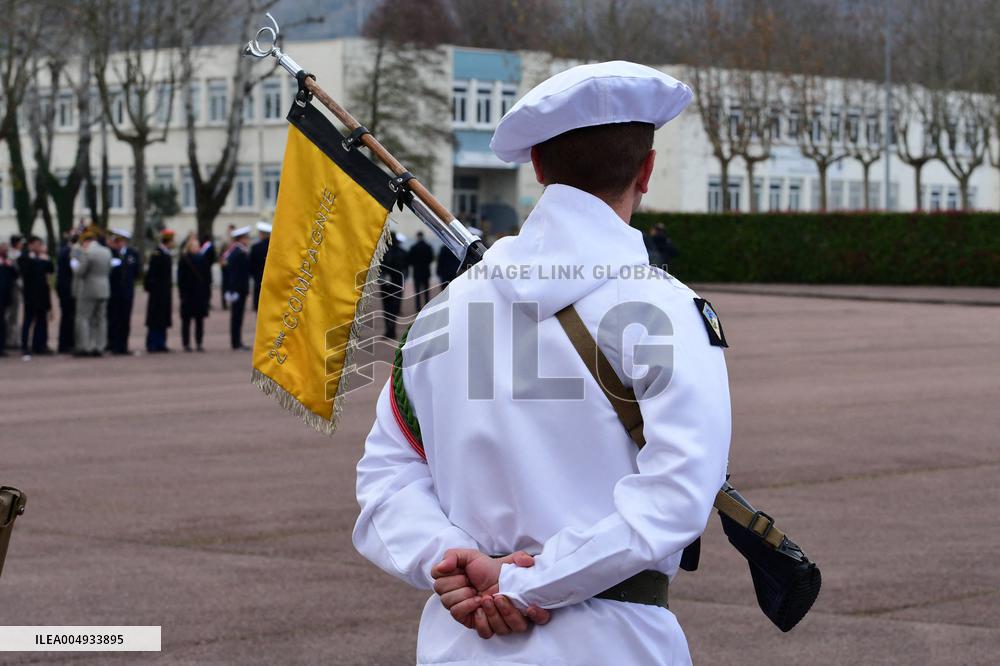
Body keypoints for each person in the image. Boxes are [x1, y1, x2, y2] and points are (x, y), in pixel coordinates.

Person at [353, 62, 729, 666]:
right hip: (616, 644)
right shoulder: (667, 310)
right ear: (647, 171)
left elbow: (388, 477)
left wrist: (446, 559)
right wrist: (527, 582)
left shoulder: (440, 315)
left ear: (537, 167)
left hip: (462, 645)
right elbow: (677, 497)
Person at [72, 227, 113, 357]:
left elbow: (80, 272)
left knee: (83, 318)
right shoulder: (106, 251)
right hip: (104, 288)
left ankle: (85, 346)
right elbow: (109, 269)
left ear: (85, 241)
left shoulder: (88, 252)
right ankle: (99, 346)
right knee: (101, 319)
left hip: (89, 289)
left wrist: (74, 264)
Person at [18, 236, 54, 359]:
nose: (40, 247)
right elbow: (27, 271)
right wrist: (40, 261)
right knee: (28, 321)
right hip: (30, 295)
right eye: (38, 244)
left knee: (42, 321)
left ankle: (40, 345)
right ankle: (24, 346)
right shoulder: (24, 257)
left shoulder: (42, 258)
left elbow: (50, 270)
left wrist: (45, 259)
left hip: (42, 295)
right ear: (31, 245)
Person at [107, 228, 140, 355]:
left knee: (125, 319)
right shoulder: (111, 253)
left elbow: (136, 271)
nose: (118, 243)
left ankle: (124, 345)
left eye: (120, 240)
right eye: (116, 240)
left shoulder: (132, 253)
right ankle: (114, 345)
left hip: (127, 292)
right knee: (114, 318)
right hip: (114, 292)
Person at [177, 233, 211, 352]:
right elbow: (180, 278)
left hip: (200, 294)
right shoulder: (184, 259)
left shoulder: (203, 259)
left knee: (199, 320)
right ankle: (186, 343)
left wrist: (207, 294)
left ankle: (199, 342)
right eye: (194, 246)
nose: (196, 248)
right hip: (188, 294)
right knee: (186, 320)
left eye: (197, 246)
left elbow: (208, 278)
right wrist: (182, 294)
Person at [144, 229, 175, 353]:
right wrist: (153, 288)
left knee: (163, 318)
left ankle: (161, 342)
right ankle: (152, 343)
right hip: (157, 292)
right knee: (155, 318)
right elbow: (151, 274)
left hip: (164, 292)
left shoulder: (166, 253)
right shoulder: (157, 254)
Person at [222, 226, 251, 350]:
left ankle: (237, 341)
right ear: (241, 239)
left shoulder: (239, 251)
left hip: (239, 288)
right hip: (238, 289)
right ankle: (236, 342)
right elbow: (233, 272)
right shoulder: (237, 253)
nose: (248, 240)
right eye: (246, 238)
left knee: (238, 317)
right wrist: (232, 290)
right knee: (236, 317)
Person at [379, 232, 408, 338]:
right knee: (394, 307)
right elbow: (406, 268)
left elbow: (379, 269)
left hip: (385, 284)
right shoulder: (402, 252)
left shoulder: (382, 253)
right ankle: (392, 329)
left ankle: (388, 330)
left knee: (386, 308)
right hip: (398, 283)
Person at [55, 231, 78, 353]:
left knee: (67, 317)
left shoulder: (64, 251)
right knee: (68, 317)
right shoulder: (69, 253)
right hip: (68, 289)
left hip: (64, 288)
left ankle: (66, 343)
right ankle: (66, 344)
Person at [407, 231, 434, 311]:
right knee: (426, 291)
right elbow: (431, 258)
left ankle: (418, 308)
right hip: (426, 271)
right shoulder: (428, 247)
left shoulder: (413, 247)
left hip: (417, 272)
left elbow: (410, 260)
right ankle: (427, 307)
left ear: (417, 237)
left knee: (417, 292)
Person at [4, 235, 23, 348]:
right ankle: (11, 339)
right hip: (13, 287)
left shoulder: (13, 254)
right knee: (12, 314)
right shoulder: (13, 255)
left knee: (12, 315)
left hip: (14, 286)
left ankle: (12, 339)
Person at [0, 242, 18, 356]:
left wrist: (9, 265)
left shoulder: (8, 263)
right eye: (4, 249)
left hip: (5, 297)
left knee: (3, 322)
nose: (6, 251)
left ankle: (2, 345)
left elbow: (16, 275)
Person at [249, 221, 271, 311]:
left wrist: (254, 275)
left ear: (261, 234)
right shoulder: (273, 247)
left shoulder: (255, 247)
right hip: (271, 280)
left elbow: (251, 265)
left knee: (259, 305)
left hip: (258, 279)